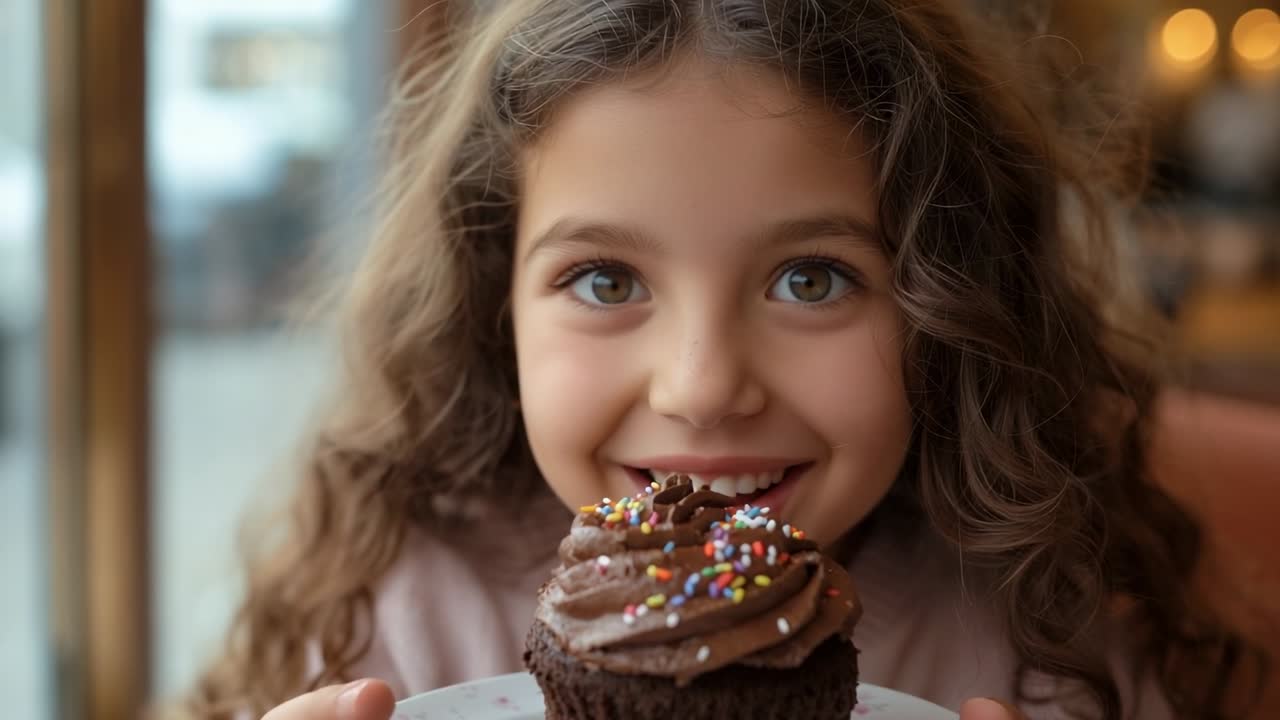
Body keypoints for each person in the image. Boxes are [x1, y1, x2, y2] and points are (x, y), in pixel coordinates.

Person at [171, 1, 1263, 719]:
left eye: (810, 279)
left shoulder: (1053, 631)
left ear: (952, 304)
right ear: (488, 306)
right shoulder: (403, 623)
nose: (699, 387)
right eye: (605, 281)